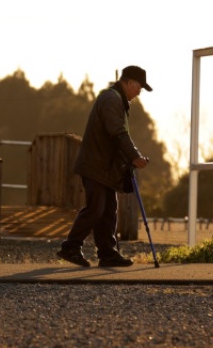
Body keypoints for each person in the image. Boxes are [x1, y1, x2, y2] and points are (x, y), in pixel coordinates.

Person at [57, 65, 152, 268]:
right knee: (96, 208)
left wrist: (130, 159)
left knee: (108, 210)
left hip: (105, 167)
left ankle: (107, 253)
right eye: (139, 87)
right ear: (128, 82)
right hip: (96, 165)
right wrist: (134, 157)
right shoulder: (111, 99)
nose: (139, 91)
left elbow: (117, 136)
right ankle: (70, 247)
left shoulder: (117, 100)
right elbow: (117, 133)